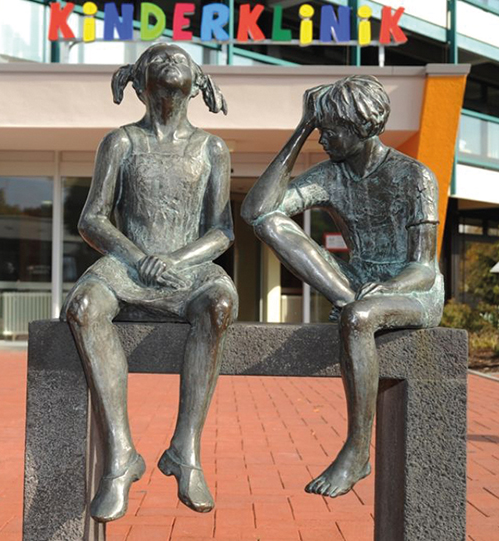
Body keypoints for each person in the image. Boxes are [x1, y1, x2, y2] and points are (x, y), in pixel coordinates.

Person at [241, 75, 444, 498]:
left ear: (362, 127)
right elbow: (257, 212)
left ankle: (357, 451)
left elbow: (424, 268)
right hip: (355, 286)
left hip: (414, 291)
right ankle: (350, 301)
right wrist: (301, 129)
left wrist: (388, 289)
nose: (323, 139)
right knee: (272, 224)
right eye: (319, 130)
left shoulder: (414, 176)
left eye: (330, 130)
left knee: (358, 317)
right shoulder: (330, 176)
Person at [62, 44, 237, 522]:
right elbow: (92, 219)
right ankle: (121, 457)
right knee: (83, 308)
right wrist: (140, 259)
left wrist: (174, 260)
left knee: (219, 304)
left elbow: (222, 230)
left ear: (198, 84)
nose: (171, 59)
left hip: (188, 268)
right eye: (159, 58)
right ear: (139, 83)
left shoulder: (212, 148)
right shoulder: (121, 142)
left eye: (180, 58)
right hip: (127, 265)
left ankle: (185, 450)